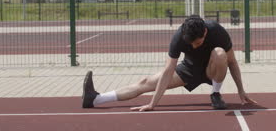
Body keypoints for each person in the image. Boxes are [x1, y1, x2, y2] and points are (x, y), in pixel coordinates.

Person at [82, 15, 256, 111]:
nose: (194, 46)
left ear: (205, 32)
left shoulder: (217, 31)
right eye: (191, 44)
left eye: (198, 42)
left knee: (220, 54)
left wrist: (241, 89)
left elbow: (232, 62)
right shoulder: (179, 37)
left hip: (213, 69)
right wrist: (153, 103)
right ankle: (96, 99)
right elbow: (168, 71)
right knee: (145, 82)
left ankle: (215, 95)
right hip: (189, 70)